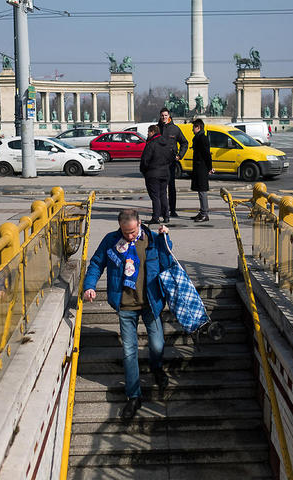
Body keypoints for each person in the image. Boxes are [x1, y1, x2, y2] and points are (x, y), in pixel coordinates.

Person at [83, 209, 171, 420]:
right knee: (129, 352)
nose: (130, 236)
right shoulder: (111, 240)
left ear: (140, 223)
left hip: (151, 303)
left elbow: (167, 261)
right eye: (125, 232)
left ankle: (156, 366)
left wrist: (166, 238)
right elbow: (96, 263)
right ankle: (133, 396)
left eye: (132, 231)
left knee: (157, 345)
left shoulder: (152, 238)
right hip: (125, 306)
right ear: (119, 226)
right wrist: (89, 286)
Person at [158, 107, 188, 218]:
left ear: (169, 116)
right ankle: (162, 210)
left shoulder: (175, 129)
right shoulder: (157, 128)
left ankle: (173, 210)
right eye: (162, 115)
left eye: (165, 115)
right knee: (161, 188)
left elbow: (185, 143)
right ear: (160, 116)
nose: (164, 117)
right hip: (159, 163)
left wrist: (180, 155)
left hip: (171, 163)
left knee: (171, 187)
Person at [139, 125, 171, 224]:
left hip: (153, 173)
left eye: (148, 132)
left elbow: (145, 160)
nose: (147, 134)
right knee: (163, 195)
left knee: (155, 196)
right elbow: (171, 157)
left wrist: (144, 171)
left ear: (152, 132)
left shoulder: (151, 144)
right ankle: (166, 216)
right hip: (165, 172)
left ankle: (156, 217)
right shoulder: (166, 143)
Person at [190, 118, 214, 222]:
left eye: (193, 127)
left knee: (202, 191)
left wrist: (210, 167)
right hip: (199, 167)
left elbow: (207, 154)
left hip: (202, 168)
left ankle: (205, 213)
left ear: (198, 127)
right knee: (200, 191)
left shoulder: (202, 138)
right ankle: (202, 212)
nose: (192, 129)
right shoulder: (198, 138)